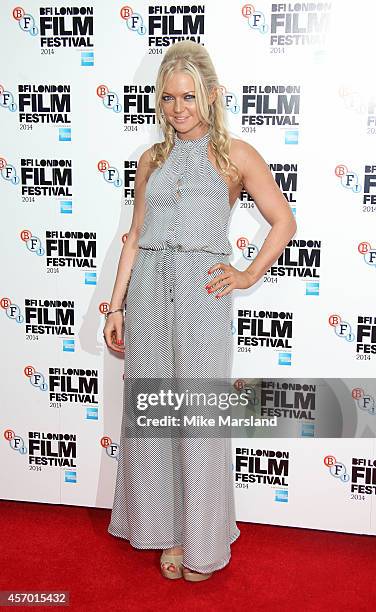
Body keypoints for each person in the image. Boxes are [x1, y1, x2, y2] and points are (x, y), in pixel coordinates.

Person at [104, 40, 297, 582]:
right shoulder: (151, 160)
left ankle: (202, 537)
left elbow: (283, 221)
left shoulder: (234, 154)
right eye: (168, 98)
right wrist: (115, 306)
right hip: (146, 295)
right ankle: (164, 529)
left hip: (201, 296)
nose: (178, 108)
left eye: (188, 96)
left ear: (211, 96)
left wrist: (246, 273)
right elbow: (136, 235)